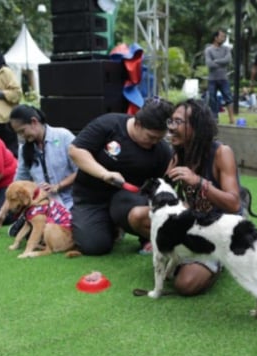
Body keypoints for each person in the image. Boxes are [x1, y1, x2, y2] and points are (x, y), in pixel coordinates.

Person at [68, 98, 174, 256]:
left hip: (129, 199)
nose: (154, 142)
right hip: (92, 197)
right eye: (151, 137)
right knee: (94, 246)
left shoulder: (161, 151)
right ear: (137, 123)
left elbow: (163, 189)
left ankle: (144, 237)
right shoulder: (108, 125)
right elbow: (75, 151)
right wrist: (104, 174)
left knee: (136, 209)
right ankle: (109, 227)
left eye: (160, 138)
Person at [164, 99, 244, 296]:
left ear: (196, 127)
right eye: (170, 122)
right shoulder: (178, 155)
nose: (171, 128)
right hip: (195, 224)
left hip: (221, 227)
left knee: (185, 284)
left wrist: (198, 182)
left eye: (178, 122)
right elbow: (164, 192)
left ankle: (221, 261)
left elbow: (234, 204)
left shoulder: (221, 153)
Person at [0, 104, 77, 228]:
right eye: (18, 133)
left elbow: (81, 170)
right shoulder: (24, 149)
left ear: (34, 122)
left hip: (71, 201)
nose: (21, 136)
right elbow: (16, 183)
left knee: (74, 232)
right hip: (42, 204)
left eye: (22, 131)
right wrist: (2, 213)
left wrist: (58, 186)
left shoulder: (63, 136)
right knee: (35, 228)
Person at [204, 29, 235, 125]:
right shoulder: (208, 49)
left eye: (224, 37)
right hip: (212, 79)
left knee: (228, 97)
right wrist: (222, 62)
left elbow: (228, 60)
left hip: (223, 78)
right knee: (212, 99)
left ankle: (232, 119)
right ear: (216, 37)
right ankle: (215, 119)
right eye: (222, 36)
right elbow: (209, 64)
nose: (224, 38)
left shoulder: (226, 49)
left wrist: (216, 61)